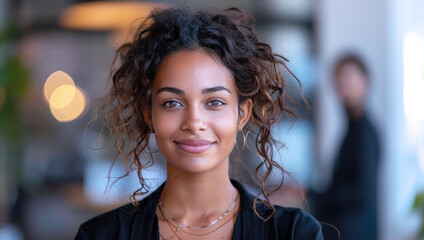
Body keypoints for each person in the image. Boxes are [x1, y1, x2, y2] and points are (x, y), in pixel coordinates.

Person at [74, 7, 323, 240]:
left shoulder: (294, 233)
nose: (194, 122)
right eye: (172, 103)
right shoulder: (101, 235)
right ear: (148, 115)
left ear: (242, 114)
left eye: (214, 102)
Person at [315, 54, 380, 240]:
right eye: (338, 78)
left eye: (348, 77)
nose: (342, 84)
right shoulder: (352, 128)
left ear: (365, 82)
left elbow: (360, 194)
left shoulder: (365, 132)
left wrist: (313, 194)